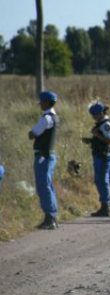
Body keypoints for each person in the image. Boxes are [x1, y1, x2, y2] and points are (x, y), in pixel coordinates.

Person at [28, 91, 60, 230]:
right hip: (49, 155)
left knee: (43, 186)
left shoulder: (46, 118)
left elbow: (32, 134)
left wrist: (31, 133)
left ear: (46, 102)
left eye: (41, 101)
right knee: (48, 185)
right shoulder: (55, 116)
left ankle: (50, 218)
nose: (40, 104)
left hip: (43, 156)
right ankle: (52, 216)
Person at [83, 103, 110, 217]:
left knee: (102, 180)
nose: (93, 117)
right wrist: (91, 140)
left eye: (94, 114)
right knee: (99, 180)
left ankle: (106, 207)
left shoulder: (106, 124)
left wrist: (96, 134)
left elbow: (109, 140)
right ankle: (104, 206)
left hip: (104, 156)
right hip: (99, 155)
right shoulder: (101, 124)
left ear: (100, 113)